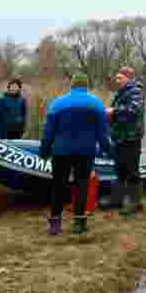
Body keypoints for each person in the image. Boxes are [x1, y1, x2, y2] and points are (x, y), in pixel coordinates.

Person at [39, 72, 111, 236]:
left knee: (58, 185)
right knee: (82, 184)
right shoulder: (96, 103)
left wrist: (44, 150)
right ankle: (79, 223)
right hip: (85, 151)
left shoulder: (57, 103)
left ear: (72, 85)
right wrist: (107, 149)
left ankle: (55, 224)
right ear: (86, 85)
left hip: (61, 151)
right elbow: (102, 133)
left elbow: (48, 131)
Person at [111, 66, 145, 217]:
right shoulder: (121, 92)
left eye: (119, 78)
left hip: (132, 137)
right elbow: (118, 111)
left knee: (132, 171)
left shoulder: (136, 91)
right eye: (116, 78)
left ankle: (135, 203)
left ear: (128, 78)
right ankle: (117, 200)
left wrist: (113, 111)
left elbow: (133, 110)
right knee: (119, 169)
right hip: (120, 136)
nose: (117, 80)